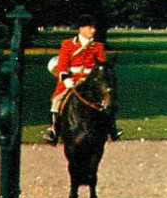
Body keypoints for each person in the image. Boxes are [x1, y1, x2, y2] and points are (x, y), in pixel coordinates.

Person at [43, 15, 123, 145]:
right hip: (71, 81)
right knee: (58, 101)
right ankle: (53, 129)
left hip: (90, 81)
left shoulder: (97, 46)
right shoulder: (67, 44)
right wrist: (67, 80)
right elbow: (62, 67)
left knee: (106, 98)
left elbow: (100, 66)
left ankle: (112, 128)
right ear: (81, 28)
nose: (93, 30)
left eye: (94, 27)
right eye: (90, 27)